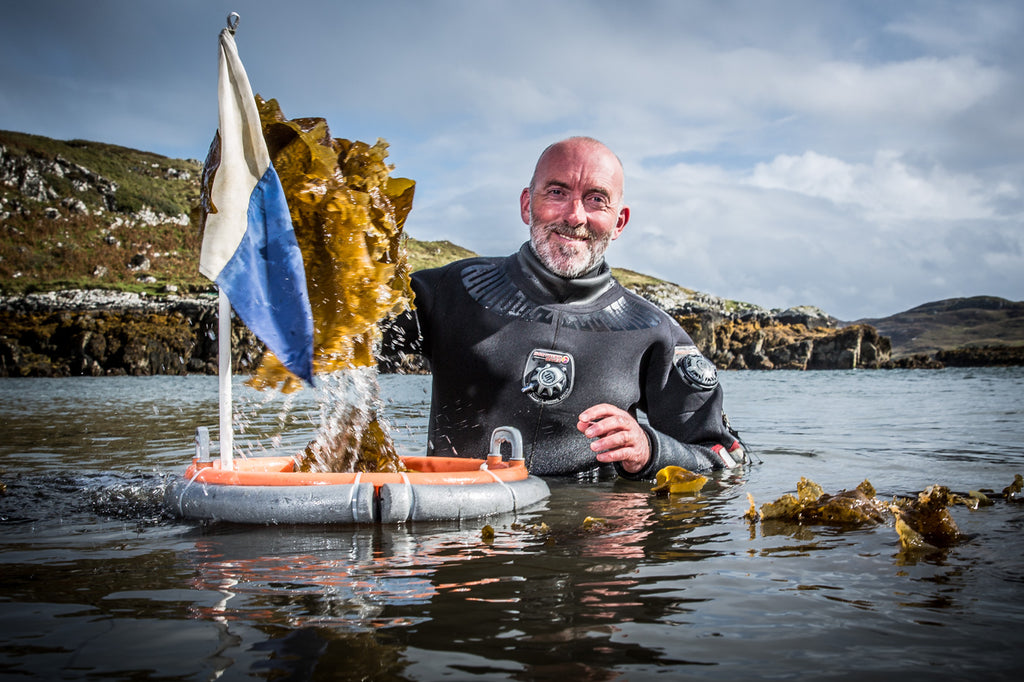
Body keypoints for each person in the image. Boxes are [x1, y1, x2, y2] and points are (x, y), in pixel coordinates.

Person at [385, 136, 745, 479]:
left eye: (596, 199)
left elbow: (727, 458)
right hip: (461, 533)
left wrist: (649, 450)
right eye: (557, 192)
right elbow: (343, 339)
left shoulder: (653, 332)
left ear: (619, 222)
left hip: (585, 533)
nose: (574, 216)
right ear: (527, 204)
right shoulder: (448, 291)